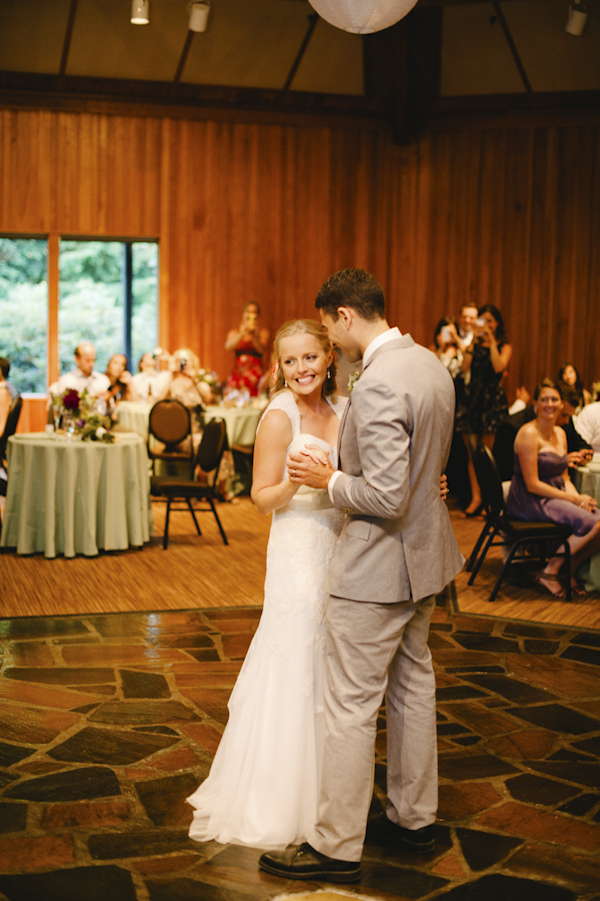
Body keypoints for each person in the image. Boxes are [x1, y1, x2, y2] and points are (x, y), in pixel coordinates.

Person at [259, 268, 464, 884]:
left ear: (345, 316)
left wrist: (330, 481)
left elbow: (384, 493)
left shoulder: (375, 384)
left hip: (375, 567)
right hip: (425, 563)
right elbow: (425, 468)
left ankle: (336, 845)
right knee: (412, 690)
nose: (330, 341)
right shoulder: (430, 365)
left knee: (349, 706)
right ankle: (413, 820)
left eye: (328, 328)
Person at [187, 319, 347, 848]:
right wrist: (293, 485)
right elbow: (259, 497)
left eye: (310, 358)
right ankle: (278, 798)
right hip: (298, 550)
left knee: (331, 664)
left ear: (328, 357)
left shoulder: (344, 410)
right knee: (294, 658)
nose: (301, 369)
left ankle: (331, 793)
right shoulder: (279, 416)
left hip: (339, 548)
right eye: (291, 361)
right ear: (278, 366)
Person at [507, 379, 600, 598]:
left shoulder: (561, 433)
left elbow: (565, 477)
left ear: (561, 404)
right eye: (544, 399)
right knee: (591, 522)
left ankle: (568, 568)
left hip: (555, 494)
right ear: (536, 405)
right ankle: (550, 572)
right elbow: (533, 484)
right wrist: (573, 501)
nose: (550, 404)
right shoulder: (528, 434)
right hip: (529, 498)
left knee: (596, 520)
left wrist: (579, 498)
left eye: (554, 399)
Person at [455, 304, 512, 517]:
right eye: (483, 320)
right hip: (472, 399)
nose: (486, 325)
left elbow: (499, 367)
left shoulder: (504, 345)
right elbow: (464, 367)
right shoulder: (474, 343)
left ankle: (490, 500)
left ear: (497, 323)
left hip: (491, 401)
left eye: (490, 321)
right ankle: (476, 497)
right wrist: (473, 342)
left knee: (486, 453)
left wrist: (491, 341)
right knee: (471, 452)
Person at [51, 342, 111, 414]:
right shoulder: (66, 381)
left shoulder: (103, 380)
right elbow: (61, 410)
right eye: (87, 360)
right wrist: (90, 399)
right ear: (77, 359)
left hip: (102, 423)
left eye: (93, 360)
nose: (91, 364)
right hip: (76, 424)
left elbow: (111, 412)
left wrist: (108, 402)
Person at [225, 302, 270, 397]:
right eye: (248, 312)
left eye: (254, 312)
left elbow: (262, 350)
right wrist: (242, 333)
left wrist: (253, 334)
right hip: (238, 373)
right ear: (243, 314)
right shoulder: (235, 332)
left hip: (255, 375)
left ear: (258, 315)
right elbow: (228, 347)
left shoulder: (262, 333)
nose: (251, 315)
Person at [431, 316, 462, 380]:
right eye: (445, 331)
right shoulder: (434, 350)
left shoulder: (460, 350)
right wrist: (441, 348)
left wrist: (456, 337)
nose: (448, 334)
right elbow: (433, 368)